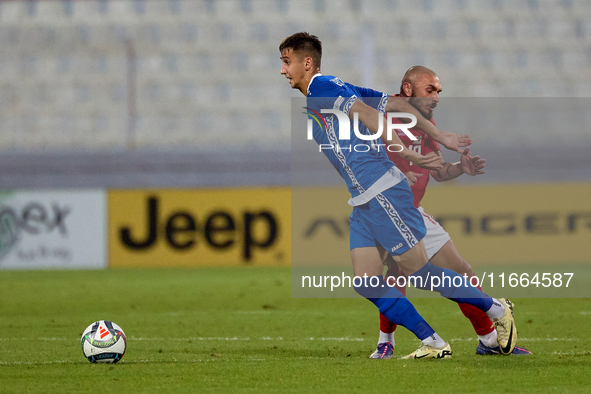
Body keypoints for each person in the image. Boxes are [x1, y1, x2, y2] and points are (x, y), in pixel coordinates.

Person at [280, 32, 518, 359]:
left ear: (307, 63)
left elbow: (371, 114)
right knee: (366, 281)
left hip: (381, 190)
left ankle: (494, 308)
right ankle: (433, 342)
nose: (283, 70)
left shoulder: (323, 88)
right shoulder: (336, 85)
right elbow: (397, 104)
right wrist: (441, 137)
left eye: (287, 61)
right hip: (363, 198)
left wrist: (411, 152)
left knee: (418, 271)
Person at [369, 66, 532, 359]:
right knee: (396, 273)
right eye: (430, 90)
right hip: (383, 209)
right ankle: (386, 342)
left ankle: (490, 341)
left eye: (438, 91)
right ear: (408, 89)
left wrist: (460, 169)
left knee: (462, 272)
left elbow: (439, 170)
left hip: (414, 212)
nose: (436, 96)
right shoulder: (382, 113)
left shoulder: (426, 123)